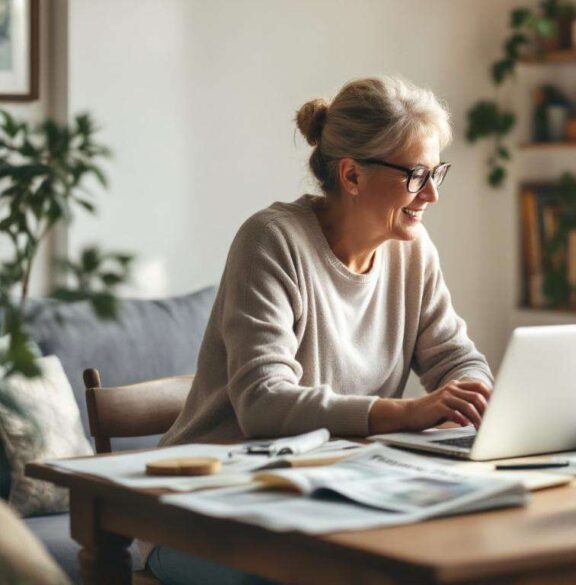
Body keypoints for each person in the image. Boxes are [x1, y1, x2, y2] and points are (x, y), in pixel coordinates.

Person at [147, 76, 493, 585]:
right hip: (206, 513)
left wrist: (475, 394)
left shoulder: (412, 250)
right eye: (417, 175)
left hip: (331, 499)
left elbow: (456, 357)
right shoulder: (271, 240)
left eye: (436, 171)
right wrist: (405, 413)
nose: (433, 195)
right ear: (352, 176)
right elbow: (264, 402)